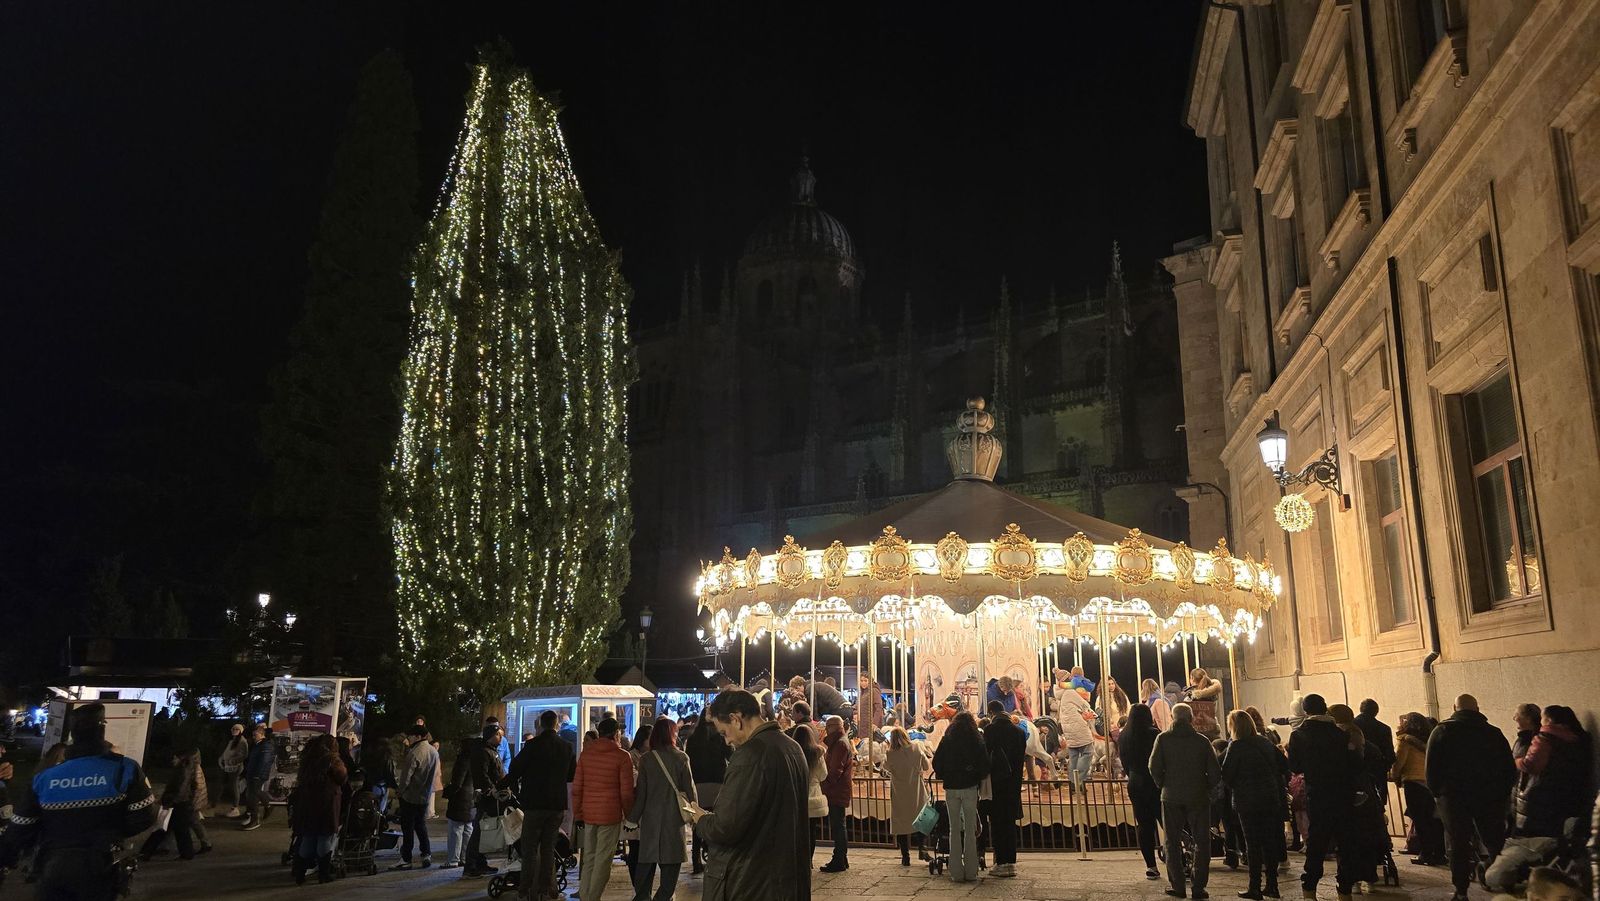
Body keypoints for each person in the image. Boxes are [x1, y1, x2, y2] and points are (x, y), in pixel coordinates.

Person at [0, 702, 159, 898]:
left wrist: (9, 859)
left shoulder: (45, 778)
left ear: (73, 734)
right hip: (99, 868)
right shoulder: (124, 769)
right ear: (102, 729)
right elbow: (146, 815)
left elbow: (20, 828)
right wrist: (110, 835)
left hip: (52, 867)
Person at [694, 688, 811, 901]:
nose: (727, 741)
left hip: (751, 880)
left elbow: (726, 827)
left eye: (724, 733)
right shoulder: (792, 747)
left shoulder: (749, 755)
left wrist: (701, 820)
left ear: (735, 719)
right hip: (786, 878)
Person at [1487, 705, 1595, 892]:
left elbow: (1531, 765)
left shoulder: (1544, 738)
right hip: (1569, 807)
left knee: (1500, 871)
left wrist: (1516, 761)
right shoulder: (1580, 741)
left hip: (1540, 809)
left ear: (1550, 720)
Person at [1426, 693, 1518, 901]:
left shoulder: (1442, 731)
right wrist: (1501, 794)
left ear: (1454, 708)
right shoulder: (1493, 733)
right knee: (1495, 841)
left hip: (1453, 798)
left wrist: (1438, 794)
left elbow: (1431, 768)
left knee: (1458, 844)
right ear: (1477, 708)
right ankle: (1505, 881)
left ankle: (1461, 890)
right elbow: (1508, 769)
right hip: (1489, 797)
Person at [1288, 693, 1362, 901]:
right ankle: (1345, 888)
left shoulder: (1299, 735)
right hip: (1343, 794)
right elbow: (1355, 764)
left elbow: (1295, 766)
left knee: (1317, 842)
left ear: (1306, 711)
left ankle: (1310, 888)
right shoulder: (1341, 734)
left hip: (1318, 794)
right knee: (1345, 842)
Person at [501, 709, 576, 900]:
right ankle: (547, 888)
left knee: (530, 850)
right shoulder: (567, 747)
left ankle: (525, 889)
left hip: (534, 805)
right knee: (548, 848)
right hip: (556, 805)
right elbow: (570, 775)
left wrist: (501, 785)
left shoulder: (532, 746)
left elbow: (514, 769)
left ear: (541, 725)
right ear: (557, 724)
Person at [1150, 702, 1221, 900]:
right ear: (1190, 719)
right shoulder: (1202, 741)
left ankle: (1178, 885)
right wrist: (1206, 787)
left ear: (1173, 718)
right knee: (1202, 842)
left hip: (1171, 796)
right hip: (1198, 796)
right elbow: (1215, 772)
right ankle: (1198, 887)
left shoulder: (1163, 739)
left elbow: (1153, 766)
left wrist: (1163, 784)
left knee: (1171, 842)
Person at [1222, 709, 1288, 900]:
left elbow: (1226, 775)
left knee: (1252, 844)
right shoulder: (1265, 742)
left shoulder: (1236, 747)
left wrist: (1239, 783)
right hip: (1269, 798)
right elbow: (1284, 765)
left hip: (1247, 800)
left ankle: (1255, 887)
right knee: (1269, 842)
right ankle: (1273, 886)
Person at [629, 717, 695, 901]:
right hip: (674, 824)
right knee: (669, 882)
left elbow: (641, 795)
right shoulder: (682, 758)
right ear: (672, 734)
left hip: (650, 823)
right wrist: (698, 817)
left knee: (643, 876)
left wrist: (632, 819)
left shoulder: (647, 760)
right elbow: (690, 791)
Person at [573, 716, 635, 900]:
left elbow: (577, 788)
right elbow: (626, 793)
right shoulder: (623, 757)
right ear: (616, 733)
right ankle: (592, 897)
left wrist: (578, 813)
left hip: (588, 814)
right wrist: (629, 815)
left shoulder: (586, 755)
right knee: (603, 860)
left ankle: (585, 895)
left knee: (589, 857)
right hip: (610, 814)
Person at [931, 710, 986, 883]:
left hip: (952, 788)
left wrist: (947, 774)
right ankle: (971, 870)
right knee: (970, 829)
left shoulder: (947, 740)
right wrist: (974, 774)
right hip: (970, 787)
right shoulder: (976, 740)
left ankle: (955, 871)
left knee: (954, 829)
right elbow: (984, 764)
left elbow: (936, 762)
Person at [289, 733, 347, 885]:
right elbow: (341, 777)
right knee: (324, 836)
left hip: (307, 802)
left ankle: (300, 874)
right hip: (326, 801)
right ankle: (323, 874)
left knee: (308, 836)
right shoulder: (332, 759)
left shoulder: (308, 758)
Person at [1392, 712, 1444, 865]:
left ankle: (1426, 854)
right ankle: (1439, 853)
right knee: (1434, 821)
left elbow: (1398, 763)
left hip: (1413, 782)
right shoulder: (1429, 739)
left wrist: (1394, 776)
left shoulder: (1404, 740)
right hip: (1430, 782)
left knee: (1421, 821)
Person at [1121, 702, 1164, 881]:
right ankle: (1179, 861)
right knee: (1166, 822)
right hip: (1153, 781)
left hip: (1135, 781)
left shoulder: (1124, 736)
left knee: (1144, 825)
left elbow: (1123, 762)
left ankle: (1151, 866)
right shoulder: (1154, 734)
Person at [684, 710, 730, 875]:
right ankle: (713, 857)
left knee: (699, 822)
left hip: (698, 786)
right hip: (718, 784)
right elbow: (731, 756)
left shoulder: (692, 740)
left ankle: (696, 860)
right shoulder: (720, 738)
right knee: (715, 821)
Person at [983, 703, 1027, 878]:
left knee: (997, 824)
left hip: (996, 784)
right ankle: (1011, 862)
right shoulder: (1020, 732)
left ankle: (1000, 862)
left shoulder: (990, 730)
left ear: (992, 713)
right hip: (1014, 785)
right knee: (1009, 824)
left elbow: (986, 756)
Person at [461, 723, 509, 880]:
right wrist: (492, 790)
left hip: (492, 796)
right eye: (498, 735)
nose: (501, 738)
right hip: (488, 798)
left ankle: (480, 862)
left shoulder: (490, 750)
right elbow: (482, 775)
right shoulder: (483, 752)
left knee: (482, 830)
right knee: (479, 831)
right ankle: (471, 865)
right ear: (490, 735)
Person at [391, 724, 438, 870]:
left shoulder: (414, 752)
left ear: (418, 736)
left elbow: (406, 778)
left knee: (408, 828)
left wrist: (400, 791)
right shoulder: (433, 752)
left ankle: (406, 859)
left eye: (410, 736)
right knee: (421, 825)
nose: (408, 739)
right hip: (425, 795)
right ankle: (426, 854)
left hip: (410, 796)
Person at [883, 726, 929, 867]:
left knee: (901, 823)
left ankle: (905, 856)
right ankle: (922, 847)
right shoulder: (916, 748)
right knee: (921, 818)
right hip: (916, 789)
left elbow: (885, 768)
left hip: (899, 791)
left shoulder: (890, 753)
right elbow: (926, 766)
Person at [818, 715, 853, 873]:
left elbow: (834, 771)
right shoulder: (840, 742)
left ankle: (839, 858)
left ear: (833, 727)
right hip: (838, 790)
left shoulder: (839, 744)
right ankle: (841, 858)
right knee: (839, 825)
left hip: (836, 790)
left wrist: (823, 784)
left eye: (827, 727)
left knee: (838, 826)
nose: (825, 730)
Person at [792, 724, 828, 861]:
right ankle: (809, 860)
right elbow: (823, 774)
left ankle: (799, 858)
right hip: (813, 795)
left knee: (798, 831)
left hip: (797, 795)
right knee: (812, 830)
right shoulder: (818, 753)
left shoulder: (793, 752)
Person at [443, 736, 478, 869]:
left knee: (456, 829)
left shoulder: (463, 760)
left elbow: (457, 782)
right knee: (468, 829)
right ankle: (464, 857)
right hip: (471, 799)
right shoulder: (476, 759)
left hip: (460, 799)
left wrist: (448, 792)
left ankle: (453, 859)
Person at [1056, 675, 1097, 787]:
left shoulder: (1062, 695)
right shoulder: (1070, 693)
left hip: (1069, 730)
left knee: (1073, 756)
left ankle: (1074, 785)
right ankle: (1078, 779)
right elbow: (1085, 704)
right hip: (1078, 728)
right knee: (1088, 752)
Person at [241, 723, 275, 830]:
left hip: (258, 775)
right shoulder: (259, 744)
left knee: (254, 795)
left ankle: (256, 817)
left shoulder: (265, 745)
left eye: (255, 735)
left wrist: (257, 775)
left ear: (262, 734)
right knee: (252, 794)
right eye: (253, 735)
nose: (253, 737)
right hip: (253, 774)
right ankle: (255, 816)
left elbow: (264, 762)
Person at [218, 723, 249, 817]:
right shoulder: (232, 741)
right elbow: (226, 753)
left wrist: (231, 761)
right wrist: (221, 759)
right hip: (227, 767)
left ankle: (235, 808)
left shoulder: (242, 742)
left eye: (237, 729)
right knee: (228, 785)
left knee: (234, 786)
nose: (234, 730)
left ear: (240, 731)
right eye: (233, 729)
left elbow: (243, 755)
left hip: (235, 768)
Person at [1185, 668, 1222, 740]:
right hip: (1212, 729)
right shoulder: (1213, 693)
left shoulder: (1191, 696)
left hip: (1196, 732)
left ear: (1192, 679)